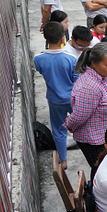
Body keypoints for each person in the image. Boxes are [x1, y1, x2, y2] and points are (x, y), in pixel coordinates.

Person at [65, 43, 107, 179]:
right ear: (93, 63)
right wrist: (69, 126)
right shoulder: (89, 87)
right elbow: (78, 116)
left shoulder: (103, 78)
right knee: (102, 172)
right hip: (94, 140)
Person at [34, 22, 78, 169]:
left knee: (59, 130)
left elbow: (42, 72)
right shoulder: (70, 59)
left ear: (44, 36)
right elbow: (76, 79)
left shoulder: (38, 59)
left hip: (54, 99)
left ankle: (63, 160)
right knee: (81, 125)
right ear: (62, 38)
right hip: (72, 98)